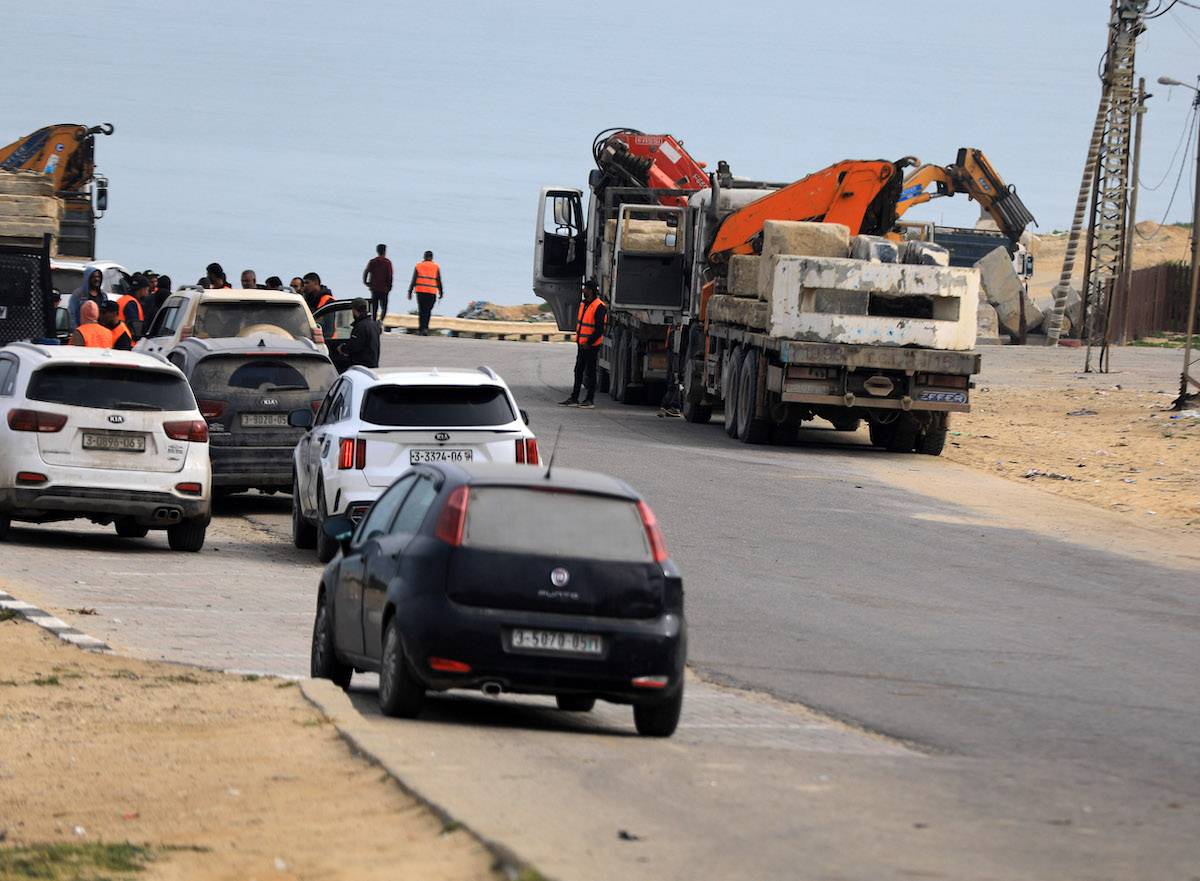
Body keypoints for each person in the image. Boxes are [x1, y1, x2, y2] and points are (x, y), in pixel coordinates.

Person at [559, 281, 606, 409]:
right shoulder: (584, 304)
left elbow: (599, 329)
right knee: (578, 371)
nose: (583, 290)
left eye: (585, 288)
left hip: (591, 346)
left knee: (590, 372)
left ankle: (589, 400)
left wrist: (589, 342)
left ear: (591, 290)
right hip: (582, 345)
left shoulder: (599, 306)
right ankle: (574, 398)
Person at [337, 298, 380, 370]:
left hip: (361, 366)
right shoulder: (373, 324)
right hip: (372, 365)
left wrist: (342, 349)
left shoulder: (360, 326)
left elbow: (354, 346)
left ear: (355, 310)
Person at [407, 250, 443, 335]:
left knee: (421, 310)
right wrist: (441, 292)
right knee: (428, 311)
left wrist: (410, 291)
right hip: (431, 292)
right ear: (432, 257)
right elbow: (438, 281)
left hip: (421, 291)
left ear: (424, 257)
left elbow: (414, 279)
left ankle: (421, 329)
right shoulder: (436, 267)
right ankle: (425, 328)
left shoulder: (418, 266)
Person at [362, 243, 393, 322]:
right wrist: (389, 286)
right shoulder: (387, 262)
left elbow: (366, 272)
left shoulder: (373, 261)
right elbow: (389, 275)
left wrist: (366, 282)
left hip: (374, 288)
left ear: (377, 251)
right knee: (384, 307)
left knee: (374, 307)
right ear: (385, 251)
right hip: (384, 289)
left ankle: (374, 321)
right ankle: (380, 320)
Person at [117, 273, 149, 340]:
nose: (147, 293)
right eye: (147, 289)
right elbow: (134, 327)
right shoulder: (132, 303)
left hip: (118, 337)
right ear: (142, 289)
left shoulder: (123, 299)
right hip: (127, 341)